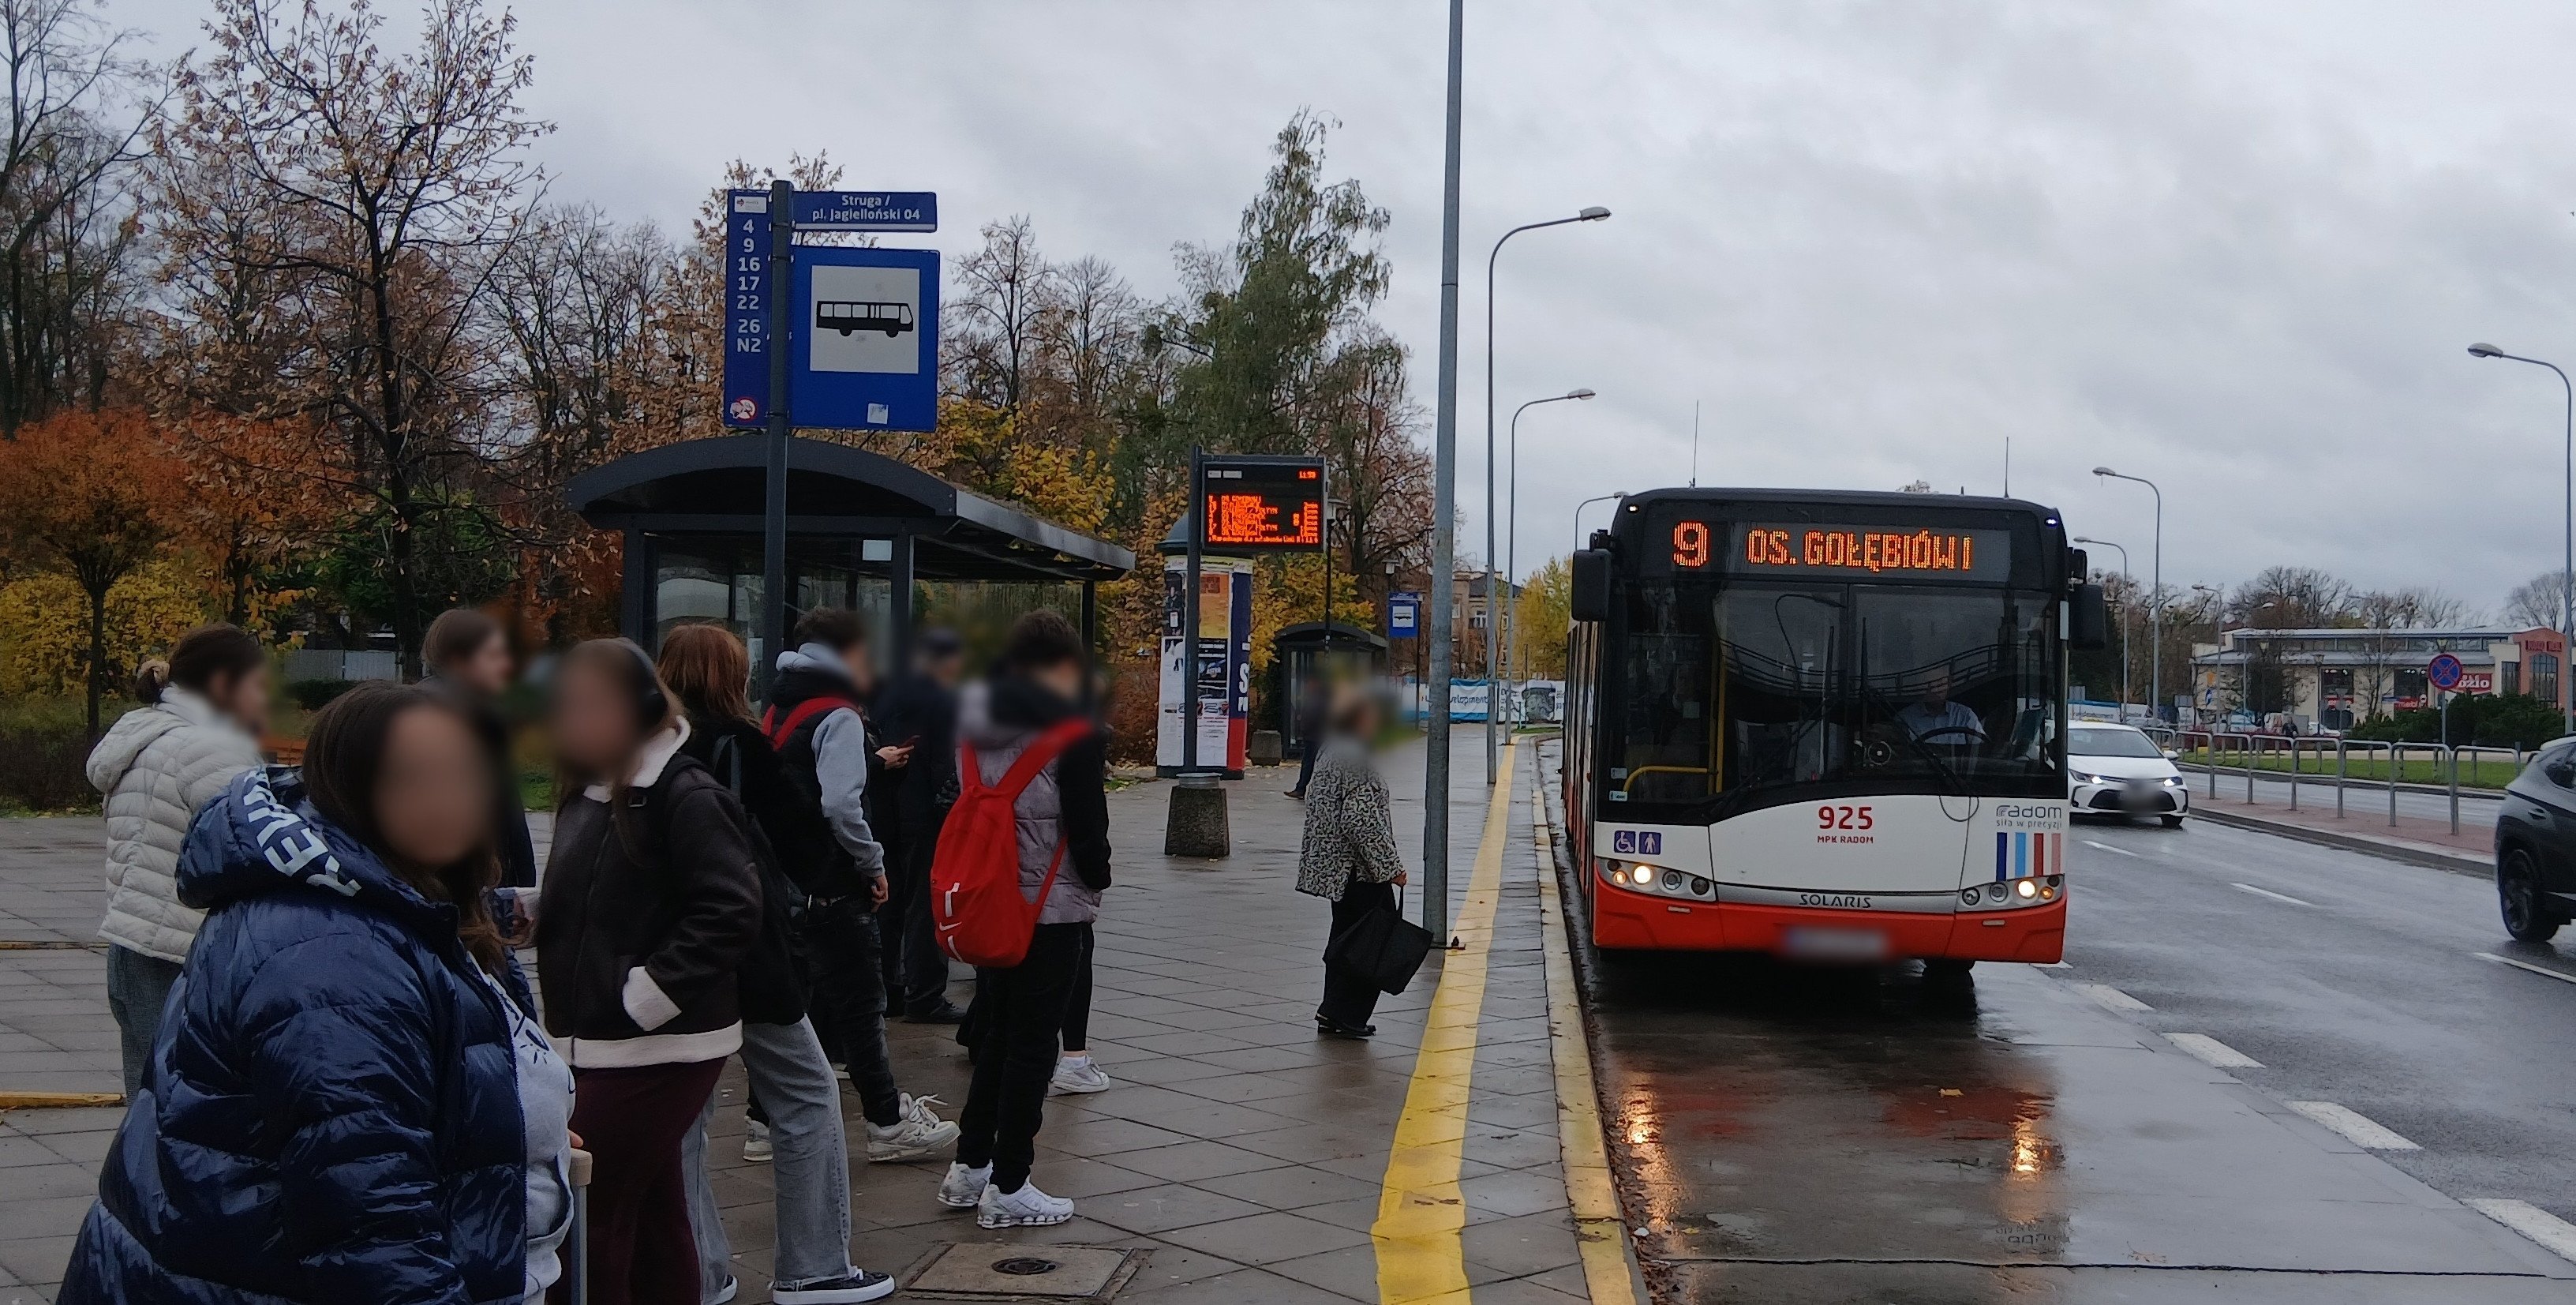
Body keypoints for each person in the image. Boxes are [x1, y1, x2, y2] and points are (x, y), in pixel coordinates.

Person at [61, 681, 572, 1304]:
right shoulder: (333, 958)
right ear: (350, 783)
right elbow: (370, 1229)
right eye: (414, 774)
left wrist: (517, 1132)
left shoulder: (413, 902)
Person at [658, 624, 900, 1305]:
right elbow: (803, 835)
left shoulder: (642, 750)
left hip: (669, 956)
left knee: (687, 1114)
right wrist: (863, 874)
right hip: (747, 948)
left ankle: (699, 1271)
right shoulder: (738, 742)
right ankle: (813, 1263)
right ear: (730, 676)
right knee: (806, 1091)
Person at [536, 639, 763, 1305]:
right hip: (604, 1040)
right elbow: (610, 894)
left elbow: (731, 907)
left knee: (591, 1210)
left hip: (656, 1045)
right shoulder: (594, 785)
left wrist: (645, 996)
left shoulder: (683, 792)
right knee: (654, 1215)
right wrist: (533, 911)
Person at [938, 609, 1112, 1228]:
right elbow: (1087, 831)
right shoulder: (1073, 731)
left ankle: (970, 1165)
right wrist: (1099, 876)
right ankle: (1010, 1183)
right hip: (1050, 910)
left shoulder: (972, 727)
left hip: (990, 905)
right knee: (1035, 1046)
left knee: (997, 1036)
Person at [764, 609, 956, 1162]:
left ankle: (759, 1121)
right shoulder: (839, 713)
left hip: (785, 877)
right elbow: (842, 805)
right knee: (861, 1005)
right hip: (832, 880)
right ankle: (888, 1123)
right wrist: (872, 863)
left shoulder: (780, 705)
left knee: (795, 1002)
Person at [85, 623, 271, 1096]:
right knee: (186, 1108)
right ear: (224, 684)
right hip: (184, 955)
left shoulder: (149, 736)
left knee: (149, 1104)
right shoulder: (209, 748)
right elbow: (256, 848)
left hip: (135, 945)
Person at [1294, 688, 1408, 1037]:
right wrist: (1392, 868)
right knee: (1370, 943)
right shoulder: (1355, 756)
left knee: (1345, 939)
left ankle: (1333, 1011)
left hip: (1339, 871)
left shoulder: (1333, 748)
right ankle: (1347, 1014)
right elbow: (1360, 820)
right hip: (1359, 871)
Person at [874, 628, 968, 1022]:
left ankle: (889, 990)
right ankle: (925, 995)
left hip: (888, 811)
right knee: (926, 905)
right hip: (926, 816)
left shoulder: (890, 695)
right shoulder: (942, 702)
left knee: (891, 903)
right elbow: (944, 766)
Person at [422, 607, 539, 890]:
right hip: (477, 875)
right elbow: (505, 811)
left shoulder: (410, 703)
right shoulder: (478, 711)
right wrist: (523, 883)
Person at [1896, 669, 1986, 743]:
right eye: (1931, 685)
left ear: (1949, 684)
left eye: (1940, 684)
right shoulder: (1904, 719)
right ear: (1921, 687)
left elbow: (1981, 748)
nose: (1936, 690)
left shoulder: (1965, 715)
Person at [1286, 671, 1328, 798]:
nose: (1306, 686)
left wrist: (1304, 727)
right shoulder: (1320, 697)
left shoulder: (1316, 698)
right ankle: (1303, 788)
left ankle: (1301, 789)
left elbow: (1313, 716)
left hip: (1313, 736)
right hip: (1316, 736)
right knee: (1312, 763)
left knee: (1308, 764)